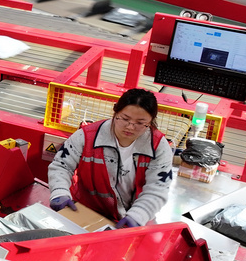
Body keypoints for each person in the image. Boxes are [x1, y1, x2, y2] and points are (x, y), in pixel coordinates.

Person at [47, 88, 174, 228]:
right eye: (125, 119)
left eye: (140, 123)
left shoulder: (158, 146)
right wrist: (60, 191)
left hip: (135, 218)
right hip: (86, 212)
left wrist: (139, 214)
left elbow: (158, 187)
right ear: (115, 112)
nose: (130, 127)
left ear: (150, 122)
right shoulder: (87, 136)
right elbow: (62, 165)